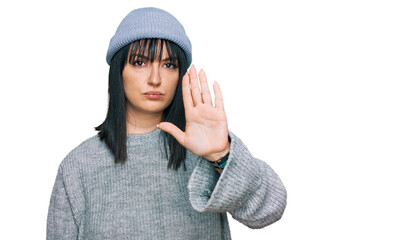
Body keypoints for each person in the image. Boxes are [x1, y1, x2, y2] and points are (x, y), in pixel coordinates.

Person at [46, 7, 287, 240]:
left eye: (169, 65)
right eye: (140, 62)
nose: (155, 78)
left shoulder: (204, 147)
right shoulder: (78, 166)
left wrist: (221, 154)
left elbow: (269, 211)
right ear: (118, 71)